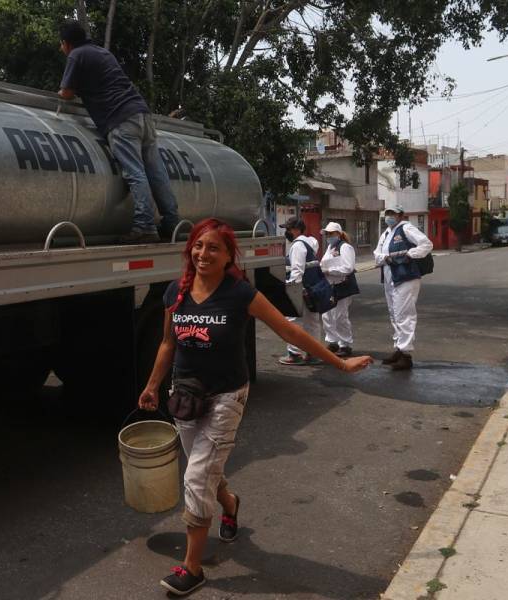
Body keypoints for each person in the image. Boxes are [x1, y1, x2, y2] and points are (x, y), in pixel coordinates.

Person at [138, 217, 373, 596]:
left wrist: (340, 362)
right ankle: (230, 505)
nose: (203, 253)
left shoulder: (239, 294)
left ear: (230, 255)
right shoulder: (174, 292)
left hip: (226, 397)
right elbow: (168, 343)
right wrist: (152, 386)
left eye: (213, 247)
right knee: (205, 470)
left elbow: (289, 330)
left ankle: (192, 568)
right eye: (198, 246)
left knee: (197, 477)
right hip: (184, 395)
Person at [57, 20, 180, 244]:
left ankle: (145, 226)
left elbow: (66, 93)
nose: (61, 49)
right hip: (141, 114)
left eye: (61, 44)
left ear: (66, 43)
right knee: (156, 172)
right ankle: (172, 223)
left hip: (120, 120)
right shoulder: (102, 53)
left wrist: (62, 92)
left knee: (135, 173)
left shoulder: (77, 55)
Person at [373, 205, 433, 371]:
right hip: (389, 277)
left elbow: (426, 245)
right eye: (387, 213)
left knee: (404, 314)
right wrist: (385, 257)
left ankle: (406, 355)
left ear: (400, 215)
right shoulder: (386, 233)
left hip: (406, 277)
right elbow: (376, 255)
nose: (389, 216)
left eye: (393, 213)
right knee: (394, 314)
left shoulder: (406, 228)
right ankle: (399, 348)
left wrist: (409, 254)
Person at [277, 216, 324, 366]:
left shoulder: (297, 245)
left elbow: (297, 271)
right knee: (313, 322)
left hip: (301, 288)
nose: (287, 232)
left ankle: (294, 353)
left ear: (296, 230)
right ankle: (314, 353)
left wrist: (290, 289)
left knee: (291, 321)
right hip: (313, 287)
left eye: (288, 229)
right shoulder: (310, 242)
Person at [320, 222, 359, 356]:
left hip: (343, 285)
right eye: (327, 233)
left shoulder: (345, 247)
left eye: (331, 233)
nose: (328, 236)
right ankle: (332, 342)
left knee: (340, 316)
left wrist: (329, 270)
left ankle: (345, 344)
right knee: (327, 315)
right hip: (330, 285)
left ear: (338, 233)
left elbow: (348, 267)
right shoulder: (330, 247)